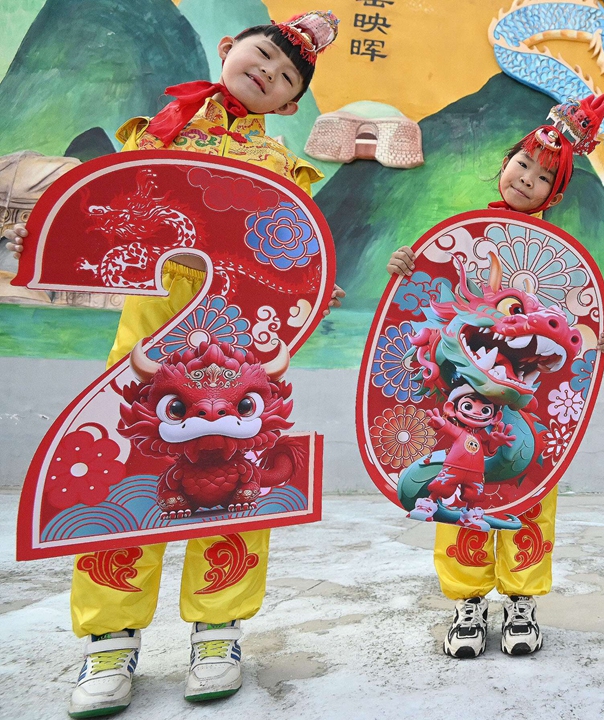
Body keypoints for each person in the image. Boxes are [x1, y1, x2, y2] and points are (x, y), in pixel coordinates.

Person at [5, 12, 341, 717]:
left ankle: (217, 633)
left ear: (286, 106)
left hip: (241, 355)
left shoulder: (282, 171)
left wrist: (313, 284)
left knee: (235, 486)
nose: (270, 72)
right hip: (145, 349)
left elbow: (294, 266)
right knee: (124, 477)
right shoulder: (150, 137)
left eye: (286, 78)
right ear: (229, 49)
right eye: (265, 55)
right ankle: (109, 642)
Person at [386, 92, 604, 660]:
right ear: (505, 161)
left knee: (528, 492)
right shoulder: (460, 238)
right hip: (462, 399)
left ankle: (520, 601)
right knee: (458, 480)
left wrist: (599, 341)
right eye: (523, 163)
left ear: (555, 194)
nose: (527, 179)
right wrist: (404, 269)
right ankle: (466, 604)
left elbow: (575, 333)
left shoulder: (562, 258)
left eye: (543, 177)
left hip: (526, 405)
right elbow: (426, 305)